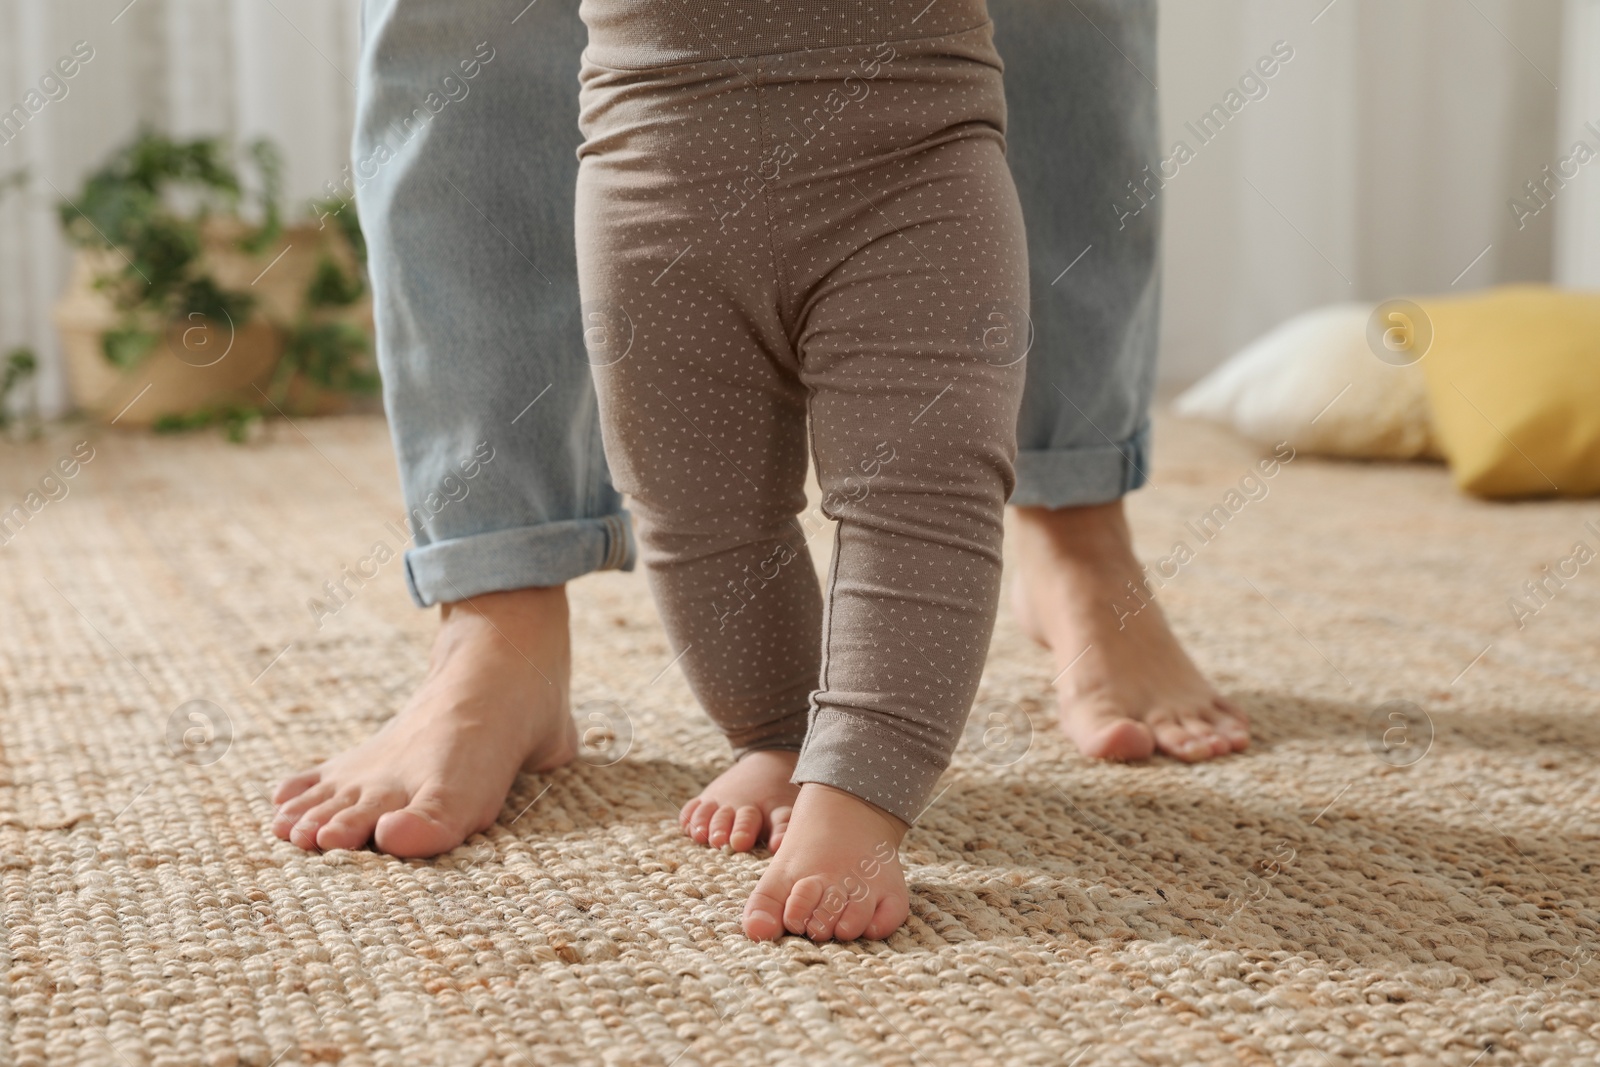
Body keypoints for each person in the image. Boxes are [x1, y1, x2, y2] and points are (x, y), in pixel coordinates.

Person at [271, 0, 1248, 885]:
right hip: (650, 161)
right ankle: (539, 619)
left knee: (919, 487)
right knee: (700, 508)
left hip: (915, 158)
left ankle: (880, 766)